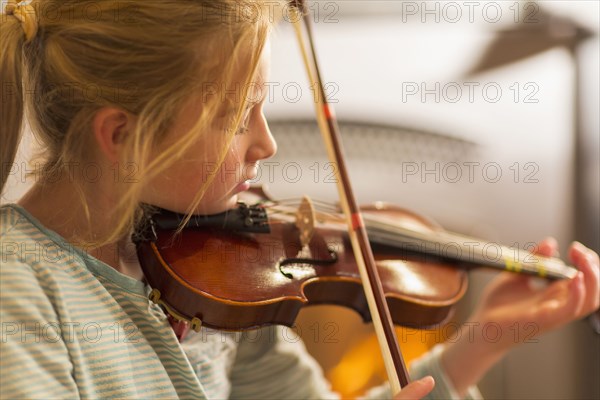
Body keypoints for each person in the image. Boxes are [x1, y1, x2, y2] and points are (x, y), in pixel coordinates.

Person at [1, 1, 598, 399]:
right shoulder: (19, 290)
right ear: (123, 135)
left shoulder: (214, 269)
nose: (268, 142)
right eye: (238, 118)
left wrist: (479, 343)